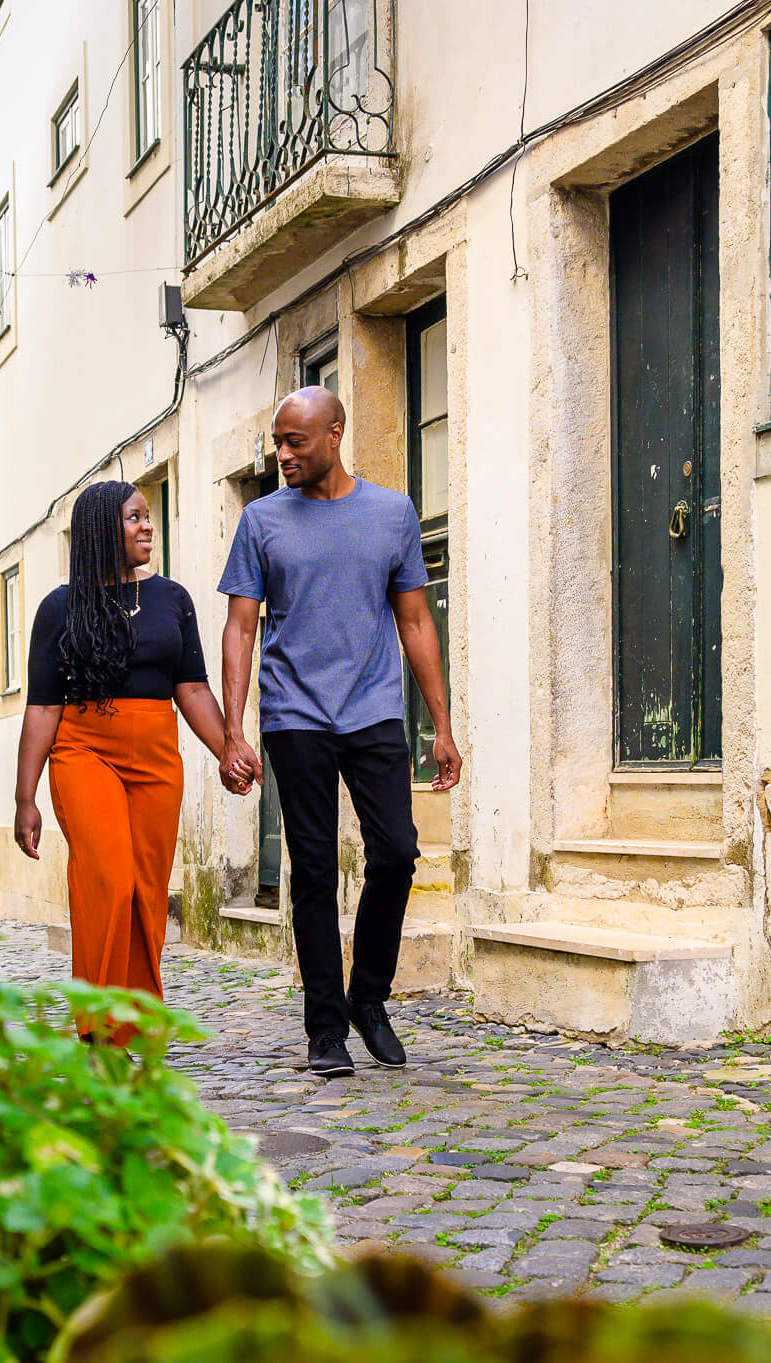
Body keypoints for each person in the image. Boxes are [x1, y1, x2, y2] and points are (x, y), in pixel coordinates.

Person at [218, 386, 460, 1077]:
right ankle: (325, 1027)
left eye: (295, 441)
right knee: (315, 870)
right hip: (295, 714)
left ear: (335, 435)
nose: (282, 453)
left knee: (397, 852)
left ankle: (369, 997)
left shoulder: (390, 513)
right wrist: (234, 731)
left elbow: (415, 620)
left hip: (375, 710)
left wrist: (441, 724)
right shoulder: (262, 521)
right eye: (277, 440)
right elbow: (240, 626)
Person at [13, 481, 230, 1042]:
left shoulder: (172, 599)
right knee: (107, 878)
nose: (147, 526)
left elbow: (193, 689)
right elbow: (41, 707)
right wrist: (25, 797)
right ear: (102, 529)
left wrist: (231, 745)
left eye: (148, 516)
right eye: (134, 517)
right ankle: (97, 1022)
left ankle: (132, 1020)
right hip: (84, 750)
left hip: (156, 754)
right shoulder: (59, 608)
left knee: (148, 887)